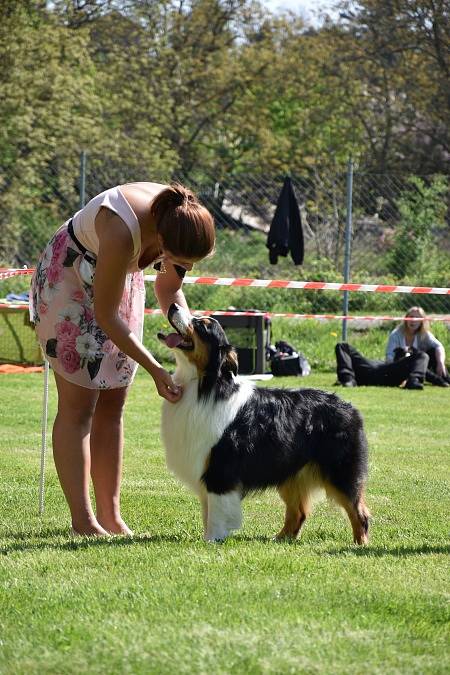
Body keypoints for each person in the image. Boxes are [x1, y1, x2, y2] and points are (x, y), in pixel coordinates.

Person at [30, 182, 215, 536]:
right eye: (181, 261)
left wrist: (192, 335)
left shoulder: (178, 220)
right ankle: (83, 522)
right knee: (79, 407)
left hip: (117, 281)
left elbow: (168, 287)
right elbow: (105, 315)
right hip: (71, 278)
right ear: (161, 240)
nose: (184, 268)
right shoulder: (119, 228)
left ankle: (111, 517)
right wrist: (156, 369)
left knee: (113, 402)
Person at [335, 307, 449, 390]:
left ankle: (418, 380)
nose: (413, 320)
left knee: (425, 355)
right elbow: (389, 360)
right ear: (405, 319)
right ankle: (348, 379)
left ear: (422, 321)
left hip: (395, 375)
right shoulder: (396, 334)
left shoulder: (425, 335)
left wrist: (440, 364)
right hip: (381, 370)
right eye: (411, 317)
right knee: (342, 346)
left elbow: (438, 346)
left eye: (417, 317)